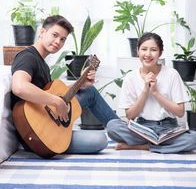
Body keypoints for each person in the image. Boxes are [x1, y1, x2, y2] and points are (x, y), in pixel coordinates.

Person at [11, 15, 119, 154]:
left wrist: (80, 83)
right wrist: (56, 101)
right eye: (55, 35)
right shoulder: (27, 57)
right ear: (42, 32)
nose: (58, 42)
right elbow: (19, 87)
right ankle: (128, 135)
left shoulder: (42, 63)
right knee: (99, 140)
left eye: (62, 39)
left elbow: (48, 96)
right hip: (37, 135)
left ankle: (124, 133)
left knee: (89, 91)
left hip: (45, 119)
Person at [107, 32, 196, 153]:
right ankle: (157, 144)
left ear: (160, 53)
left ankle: (144, 147)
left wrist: (155, 93)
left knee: (193, 139)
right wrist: (145, 90)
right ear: (138, 51)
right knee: (112, 126)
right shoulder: (131, 77)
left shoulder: (172, 74)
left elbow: (180, 112)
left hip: (168, 128)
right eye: (144, 49)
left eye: (153, 50)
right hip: (142, 128)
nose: (148, 54)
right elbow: (130, 116)